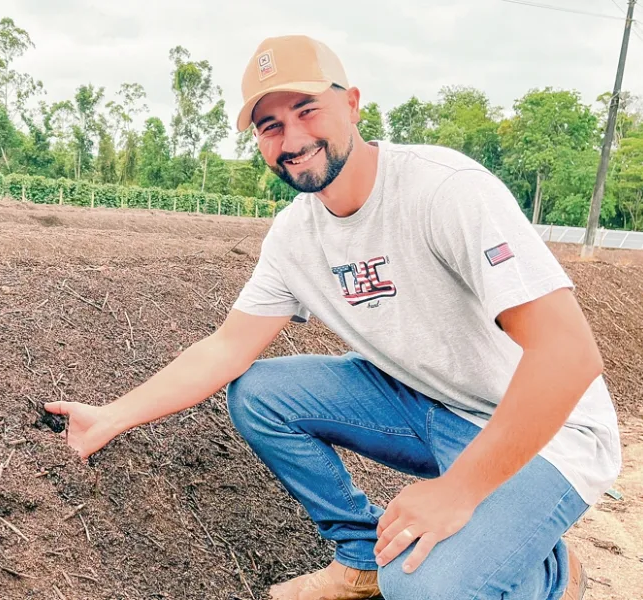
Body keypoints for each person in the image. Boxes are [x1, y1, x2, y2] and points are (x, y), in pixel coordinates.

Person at [45, 35, 622, 600]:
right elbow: (226, 348)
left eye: (307, 110)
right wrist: (110, 417)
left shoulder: (445, 191)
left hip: (551, 431)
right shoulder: (296, 236)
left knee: (421, 587)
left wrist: (457, 491)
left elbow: (569, 355)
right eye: (270, 126)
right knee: (260, 394)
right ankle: (360, 554)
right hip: (428, 404)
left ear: (352, 104)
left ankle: (550, 576)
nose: (292, 139)